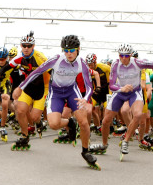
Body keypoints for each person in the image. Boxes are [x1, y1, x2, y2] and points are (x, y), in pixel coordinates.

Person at [17, 35, 99, 169]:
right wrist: (21, 87)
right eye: (65, 50)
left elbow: (89, 85)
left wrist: (86, 99)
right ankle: (69, 123)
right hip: (55, 92)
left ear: (78, 49)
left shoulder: (81, 62)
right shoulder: (56, 59)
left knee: (84, 122)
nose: (69, 53)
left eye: (72, 50)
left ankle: (85, 151)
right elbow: (36, 72)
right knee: (54, 124)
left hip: (72, 91)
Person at [96, 43, 153, 160]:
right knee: (105, 121)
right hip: (120, 92)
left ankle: (126, 141)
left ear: (130, 55)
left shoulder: (138, 63)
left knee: (138, 114)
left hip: (135, 92)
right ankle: (104, 144)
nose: (123, 58)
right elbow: (112, 85)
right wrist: (121, 89)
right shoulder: (115, 64)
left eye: (126, 56)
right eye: (121, 55)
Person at [0, 31, 49, 145]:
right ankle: (25, 136)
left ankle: (39, 123)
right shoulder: (19, 57)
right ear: (21, 46)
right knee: (20, 110)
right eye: (24, 46)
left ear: (33, 46)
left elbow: (52, 71)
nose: (26, 48)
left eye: (29, 46)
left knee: (34, 117)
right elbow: (6, 67)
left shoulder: (39, 57)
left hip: (42, 87)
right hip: (28, 87)